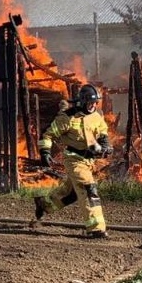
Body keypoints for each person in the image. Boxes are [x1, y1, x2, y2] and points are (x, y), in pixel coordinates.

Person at [33, 84, 111, 238]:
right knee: (88, 189)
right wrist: (45, 151)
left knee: (71, 193)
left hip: (89, 161)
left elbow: (103, 133)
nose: (93, 105)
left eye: (96, 103)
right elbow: (48, 135)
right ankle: (96, 228)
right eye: (90, 103)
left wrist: (105, 145)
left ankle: (44, 204)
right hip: (74, 160)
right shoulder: (67, 117)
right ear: (82, 102)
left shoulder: (96, 116)